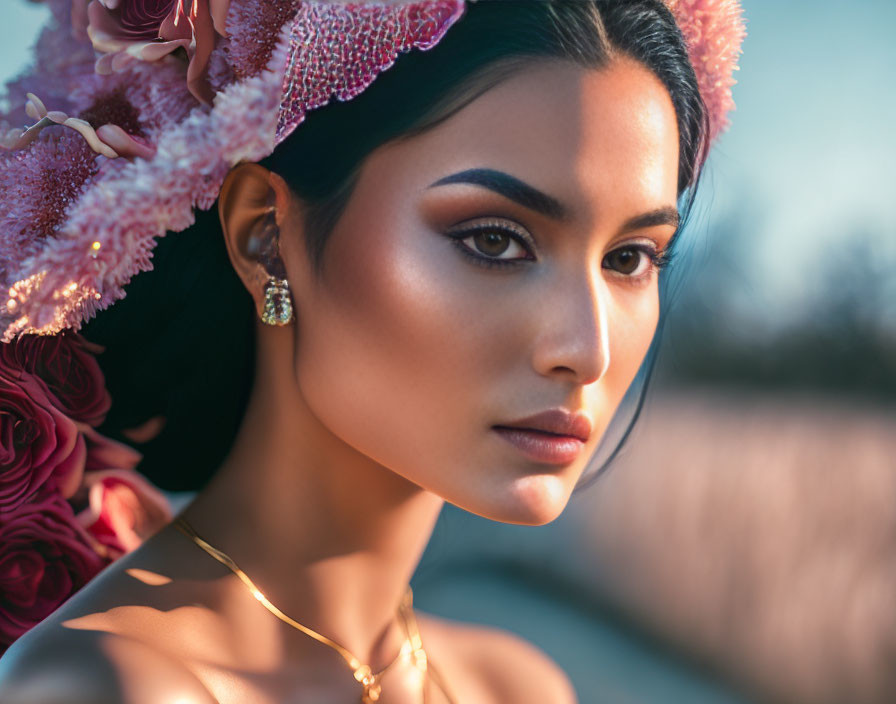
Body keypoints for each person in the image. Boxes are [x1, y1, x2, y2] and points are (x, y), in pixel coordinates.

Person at [0, 0, 745, 701]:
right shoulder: (108, 686)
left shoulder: (516, 686)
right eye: (494, 240)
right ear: (266, 238)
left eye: (630, 258)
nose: (587, 350)